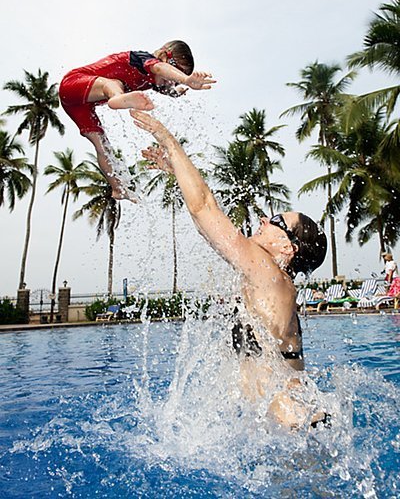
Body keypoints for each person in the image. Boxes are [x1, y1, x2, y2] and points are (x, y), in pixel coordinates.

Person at [131, 109, 328, 429]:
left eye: (277, 222)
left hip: (295, 426)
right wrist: (178, 173)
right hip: (296, 424)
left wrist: (167, 138)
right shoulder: (275, 285)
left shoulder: (268, 272)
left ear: (288, 249)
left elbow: (204, 208)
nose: (265, 219)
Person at [59, 40, 216, 200]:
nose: (172, 81)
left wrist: (175, 92)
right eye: (176, 72)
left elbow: (164, 86)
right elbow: (159, 68)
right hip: (73, 83)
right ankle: (117, 98)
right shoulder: (142, 58)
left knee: (103, 146)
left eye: (175, 80)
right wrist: (186, 79)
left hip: (80, 106)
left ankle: (118, 188)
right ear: (163, 56)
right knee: (112, 84)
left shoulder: (152, 81)